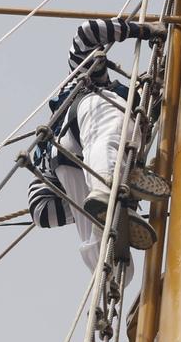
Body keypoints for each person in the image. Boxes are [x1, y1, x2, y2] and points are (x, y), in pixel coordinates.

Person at [26, 18, 170, 277]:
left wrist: (80, 201)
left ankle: (110, 265)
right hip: (90, 116)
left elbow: (40, 211)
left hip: (71, 167)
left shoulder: (47, 158)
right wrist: (144, 30)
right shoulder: (95, 81)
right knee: (113, 124)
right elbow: (87, 32)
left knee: (108, 256)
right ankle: (107, 188)